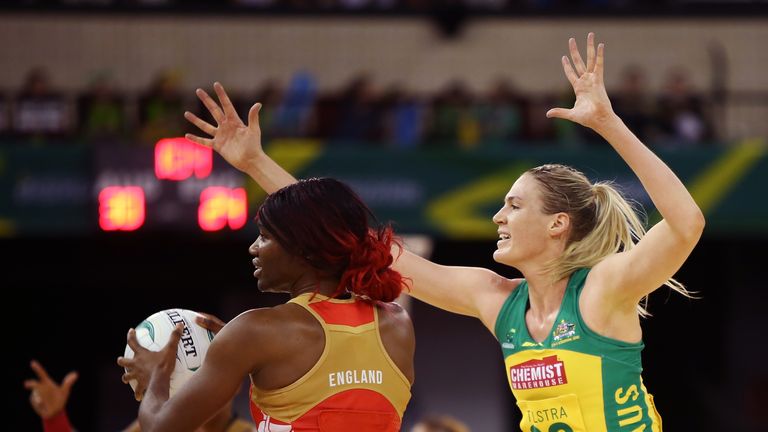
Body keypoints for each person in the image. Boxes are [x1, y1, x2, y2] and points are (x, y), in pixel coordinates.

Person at [185, 32, 704, 432]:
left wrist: (610, 124)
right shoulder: (497, 301)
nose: (498, 217)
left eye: (514, 205)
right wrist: (256, 163)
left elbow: (686, 224)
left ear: (557, 225)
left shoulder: (601, 291)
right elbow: (365, 245)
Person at [117, 178, 415, 431]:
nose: (253, 248)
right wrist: (243, 352)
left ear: (303, 248)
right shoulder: (398, 324)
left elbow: (158, 427)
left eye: (265, 236)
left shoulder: (255, 332)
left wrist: (157, 375)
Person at [26, 314, 254, 432]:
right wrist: (55, 418)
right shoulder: (153, 424)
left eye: (202, 375)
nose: (194, 386)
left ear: (235, 384)